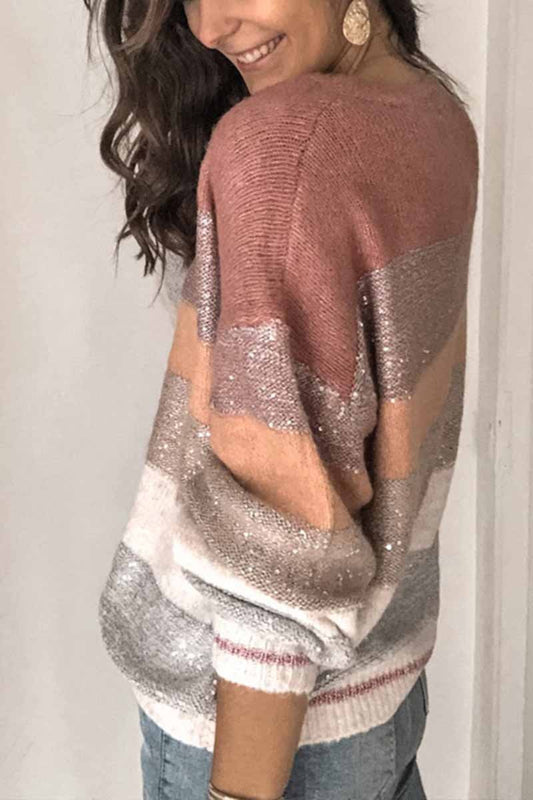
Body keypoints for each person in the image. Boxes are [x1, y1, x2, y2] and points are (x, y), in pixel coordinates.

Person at [84, 0, 479, 798]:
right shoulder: (431, 112)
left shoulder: (284, 148)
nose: (208, 28)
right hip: (378, 698)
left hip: (258, 735)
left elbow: (279, 544)